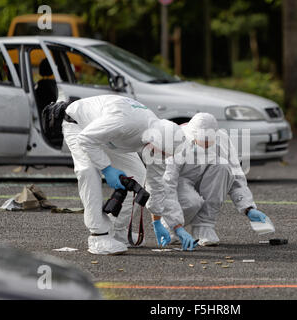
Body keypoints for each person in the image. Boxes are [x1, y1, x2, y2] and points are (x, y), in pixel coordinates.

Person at [62, 95, 197, 255]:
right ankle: (98, 236)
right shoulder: (125, 122)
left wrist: (166, 224)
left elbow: (156, 183)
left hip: (110, 136)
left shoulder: (159, 137)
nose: (160, 157)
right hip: (79, 126)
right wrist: (106, 168)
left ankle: (118, 230)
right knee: (88, 171)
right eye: (161, 153)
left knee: (138, 173)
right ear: (152, 142)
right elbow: (85, 139)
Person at [146, 113, 274, 246]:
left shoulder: (223, 140)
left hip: (204, 180)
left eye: (209, 143)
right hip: (180, 182)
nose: (206, 146)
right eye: (202, 142)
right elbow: (168, 184)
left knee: (223, 167)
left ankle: (204, 226)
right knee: (192, 202)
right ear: (193, 136)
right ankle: (170, 229)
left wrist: (248, 207)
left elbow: (236, 175)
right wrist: (176, 226)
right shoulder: (176, 141)